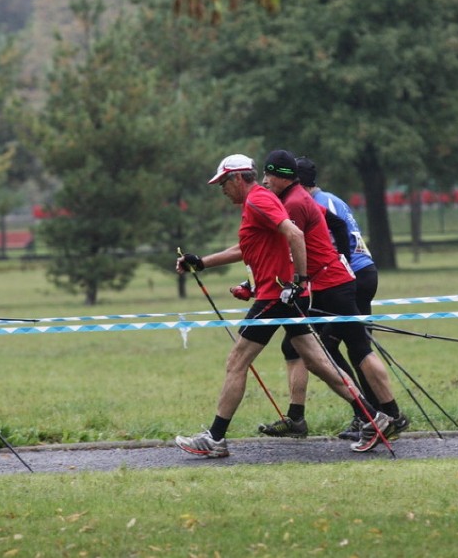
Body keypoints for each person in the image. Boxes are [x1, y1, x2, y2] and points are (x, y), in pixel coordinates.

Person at [174, 154, 391, 458]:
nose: (221, 188)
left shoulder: (257, 201)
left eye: (224, 182)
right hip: (282, 296)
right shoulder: (260, 200)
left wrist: (298, 282)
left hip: (275, 297)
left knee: (237, 361)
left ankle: (215, 438)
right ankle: (372, 415)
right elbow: (247, 247)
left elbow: (295, 234)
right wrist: (203, 262)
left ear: (238, 178)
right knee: (318, 362)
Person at [253, 150, 406, 451]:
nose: (264, 181)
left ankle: (378, 416)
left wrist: (324, 271)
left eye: (268, 175)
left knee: (343, 349)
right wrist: (341, 263)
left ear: (284, 176)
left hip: (331, 284)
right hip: (337, 280)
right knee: (337, 346)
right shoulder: (304, 197)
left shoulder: (295, 203)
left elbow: (289, 247)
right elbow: (337, 227)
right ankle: (382, 414)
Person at [296, 156, 409, 441]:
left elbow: (335, 238)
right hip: (363, 273)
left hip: (353, 278)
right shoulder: (331, 198)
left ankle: (374, 414)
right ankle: (373, 414)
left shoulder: (317, 203)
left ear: (299, 184)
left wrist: (338, 266)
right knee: (350, 346)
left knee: (344, 348)